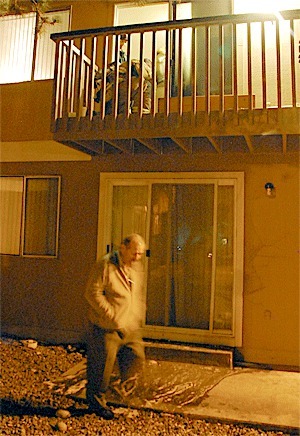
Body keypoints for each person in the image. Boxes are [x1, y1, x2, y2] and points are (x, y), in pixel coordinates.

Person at [84, 233, 146, 419]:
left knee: (136, 357)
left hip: (129, 325)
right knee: (101, 367)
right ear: (123, 248)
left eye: (140, 254)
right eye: (134, 253)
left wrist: (138, 313)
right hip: (107, 326)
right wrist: (111, 315)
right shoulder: (106, 265)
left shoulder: (135, 267)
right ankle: (96, 404)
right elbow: (92, 293)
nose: (137, 257)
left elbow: (135, 293)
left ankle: (121, 392)